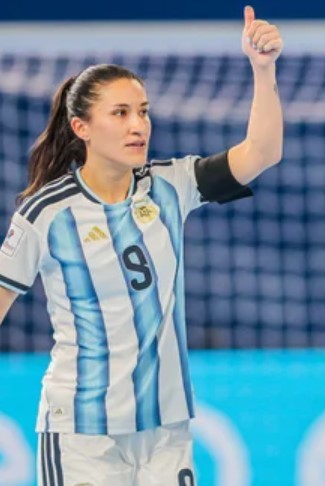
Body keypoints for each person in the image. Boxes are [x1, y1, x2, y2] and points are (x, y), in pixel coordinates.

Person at [0, 6, 283, 485]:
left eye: (144, 112)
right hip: (83, 435)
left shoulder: (171, 184)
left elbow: (262, 152)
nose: (139, 125)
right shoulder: (46, 212)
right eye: (121, 113)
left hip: (165, 431)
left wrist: (263, 70)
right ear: (81, 128)